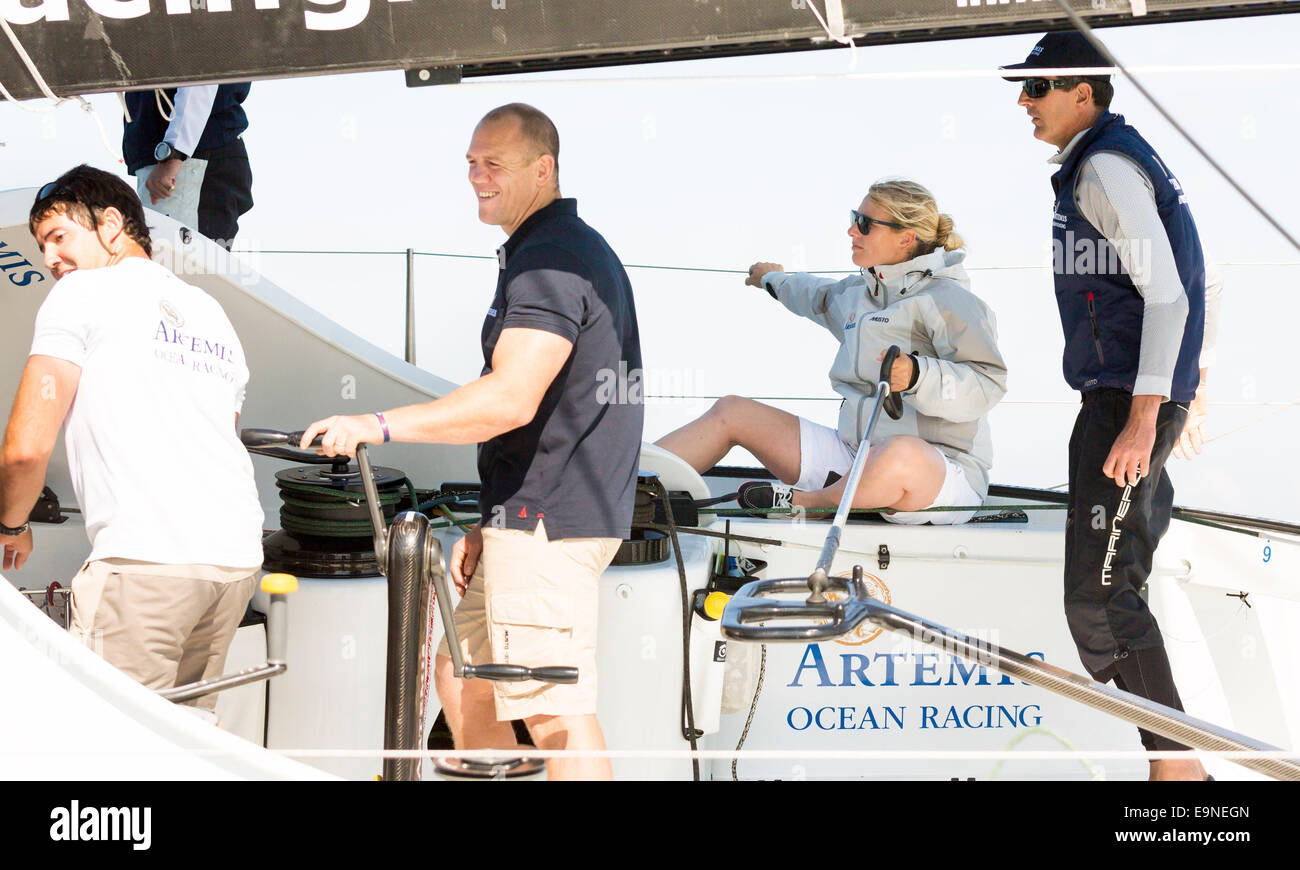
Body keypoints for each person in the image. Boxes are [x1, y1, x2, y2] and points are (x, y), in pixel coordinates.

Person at [301, 103, 644, 781]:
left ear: (542, 170)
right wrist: (495, 520)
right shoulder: (552, 249)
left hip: (551, 522)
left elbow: (510, 397)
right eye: (470, 164)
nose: (477, 177)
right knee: (465, 676)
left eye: (495, 164)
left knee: (555, 715)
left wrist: (376, 426)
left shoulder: (551, 260)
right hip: (531, 515)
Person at [1001, 31, 1223, 780]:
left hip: (1124, 404)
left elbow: (1169, 292)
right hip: (1140, 396)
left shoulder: (1103, 168)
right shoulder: (1125, 159)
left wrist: (1150, 409)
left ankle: (1179, 768)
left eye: (1037, 89)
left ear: (1083, 94)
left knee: (1099, 599)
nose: (1023, 103)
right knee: (1110, 587)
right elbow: (1205, 280)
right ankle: (1175, 761)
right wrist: (1190, 388)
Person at [0, 165, 264, 712]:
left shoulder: (80, 294)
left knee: (110, 753)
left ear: (112, 224)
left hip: (144, 566)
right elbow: (222, 437)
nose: (49, 259)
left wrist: (11, 525)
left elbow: (27, 447)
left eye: (58, 237)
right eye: (42, 245)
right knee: (185, 745)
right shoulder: (211, 312)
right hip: (233, 565)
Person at [656, 179, 1007, 524]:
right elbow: (814, 296)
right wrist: (770, 279)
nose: (852, 232)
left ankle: (810, 503)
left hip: (938, 473)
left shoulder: (951, 301)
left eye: (865, 224)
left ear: (906, 238)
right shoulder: (859, 294)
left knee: (901, 452)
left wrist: (917, 376)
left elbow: (987, 383)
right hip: (855, 458)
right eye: (855, 218)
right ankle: (633, 488)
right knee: (732, 412)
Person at [122, 84, 254, 250]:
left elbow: (201, 78)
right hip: (185, 158)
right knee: (176, 263)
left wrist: (174, 153)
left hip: (190, 159)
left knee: (180, 265)